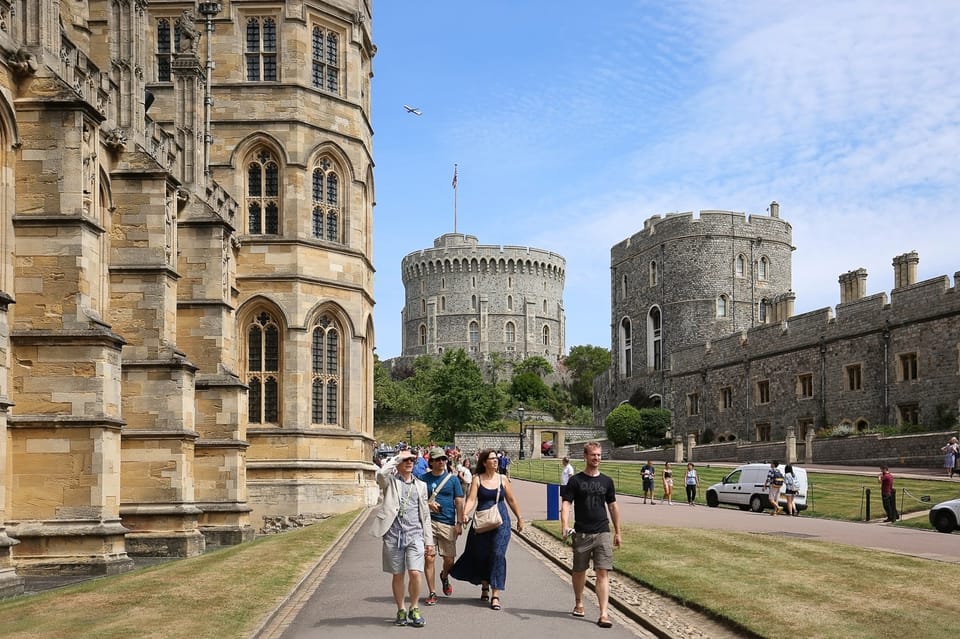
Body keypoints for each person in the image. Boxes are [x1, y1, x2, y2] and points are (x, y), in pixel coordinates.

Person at [451, 448, 524, 611]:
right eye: (492, 459)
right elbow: (470, 500)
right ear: (484, 462)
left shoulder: (503, 479)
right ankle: (484, 585)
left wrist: (519, 518)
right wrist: (464, 514)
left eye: (496, 458)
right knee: (482, 554)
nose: (496, 460)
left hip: (501, 520)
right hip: (482, 521)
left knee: (498, 554)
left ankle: (495, 594)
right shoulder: (477, 479)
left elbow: (511, 500)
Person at [370, 448, 435, 627]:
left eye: (412, 460)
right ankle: (401, 609)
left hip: (415, 534)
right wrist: (398, 456)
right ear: (398, 463)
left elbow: (425, 515)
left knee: (415, 573)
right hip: (394, 535)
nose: (409, 462)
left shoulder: (421, 485)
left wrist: (429, 541)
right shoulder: (390, 482)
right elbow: (380, 473)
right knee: (398, 575)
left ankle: (414, 608)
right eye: (405, 460)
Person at [560, 442, 622, 629]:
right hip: (582, 533)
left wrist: (618, 531)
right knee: (579, 571)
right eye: (593, 455)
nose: (597, 458)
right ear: (585, 456)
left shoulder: (607, 481)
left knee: (602, 571)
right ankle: (579, 601)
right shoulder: (576, 481)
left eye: (599, 455)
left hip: (602, 531)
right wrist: (564, 524)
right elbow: (566, 504)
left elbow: (612, 505)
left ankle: (603, 613)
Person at [419, 447, 465, 606]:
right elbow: (416, 500)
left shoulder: (452, 480)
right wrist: (428, 504)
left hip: (447, 522)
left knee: (449, 560)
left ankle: (444, 576)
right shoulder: (422, 478)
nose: (441, 462)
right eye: (438, 459)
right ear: (431, 462)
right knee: (429, 557)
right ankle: (432, 592)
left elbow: (459, 501)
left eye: (443, 459)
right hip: (427, 523)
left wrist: (459, 523)